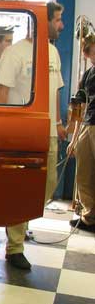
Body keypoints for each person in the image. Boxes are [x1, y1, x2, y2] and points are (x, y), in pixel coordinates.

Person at [0, 2, 67, 270]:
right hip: (22, 134)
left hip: (48, 132)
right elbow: (3, 93)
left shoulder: (53, 51)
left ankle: (19, 221)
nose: (61, 25)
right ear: (42, 20)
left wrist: (58, 123)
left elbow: (56, 90)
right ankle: (14, 247)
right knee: (21, 189)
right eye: (57, 20)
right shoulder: (15, 53)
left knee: (48, 185)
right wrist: (2, 130)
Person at [67, 36, 95, 233]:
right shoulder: (87, 75)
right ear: (86, 54)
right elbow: (79, 107)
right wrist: (74, 138)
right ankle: (89, 216)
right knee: (83, 174)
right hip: (88, 125)